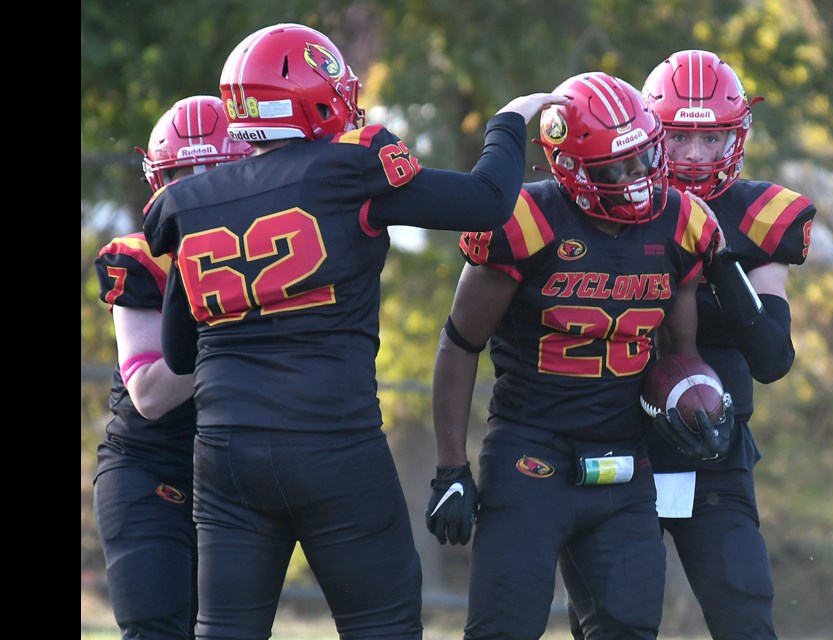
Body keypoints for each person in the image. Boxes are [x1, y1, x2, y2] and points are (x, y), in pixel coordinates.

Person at [141, 22, 568, 640]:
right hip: (331, 442)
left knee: (225, 631)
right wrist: (507, 120)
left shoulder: (192, 200)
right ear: (315, 96)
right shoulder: (349, 166)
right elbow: (487, 201)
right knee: (384, 626)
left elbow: (180, 352)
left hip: (226, 453)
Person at [425, 71, 732, 640]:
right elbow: (460, 342)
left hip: (623, 462)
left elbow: (678, 357)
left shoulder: (683, 223)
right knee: (504, 628)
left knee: (632, 627)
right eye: (615, 168)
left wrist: (692, 404)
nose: (637, 179)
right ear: (569, 168)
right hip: (529, 456)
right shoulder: (526, 219)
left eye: (643, 158)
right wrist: (450, 465)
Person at [569, 50, 818, 639]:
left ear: (738, 136)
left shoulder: (759, 216)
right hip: (614, 445)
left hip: (713, 446)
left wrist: (714, 250)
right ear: (650, 131)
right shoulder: (601, 200)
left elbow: (772, 358)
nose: (695, 156)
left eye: (713, 139)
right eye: (680, 137)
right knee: (614, 626)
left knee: (745, 617)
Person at [93, 95, 251, 639]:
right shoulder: (141, 257)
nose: (192, 193)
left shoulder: (278, 251)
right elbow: (151, 394)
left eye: (208, 176)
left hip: (238, 479)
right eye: (180, 175)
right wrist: (242, 337)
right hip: (152, 469)